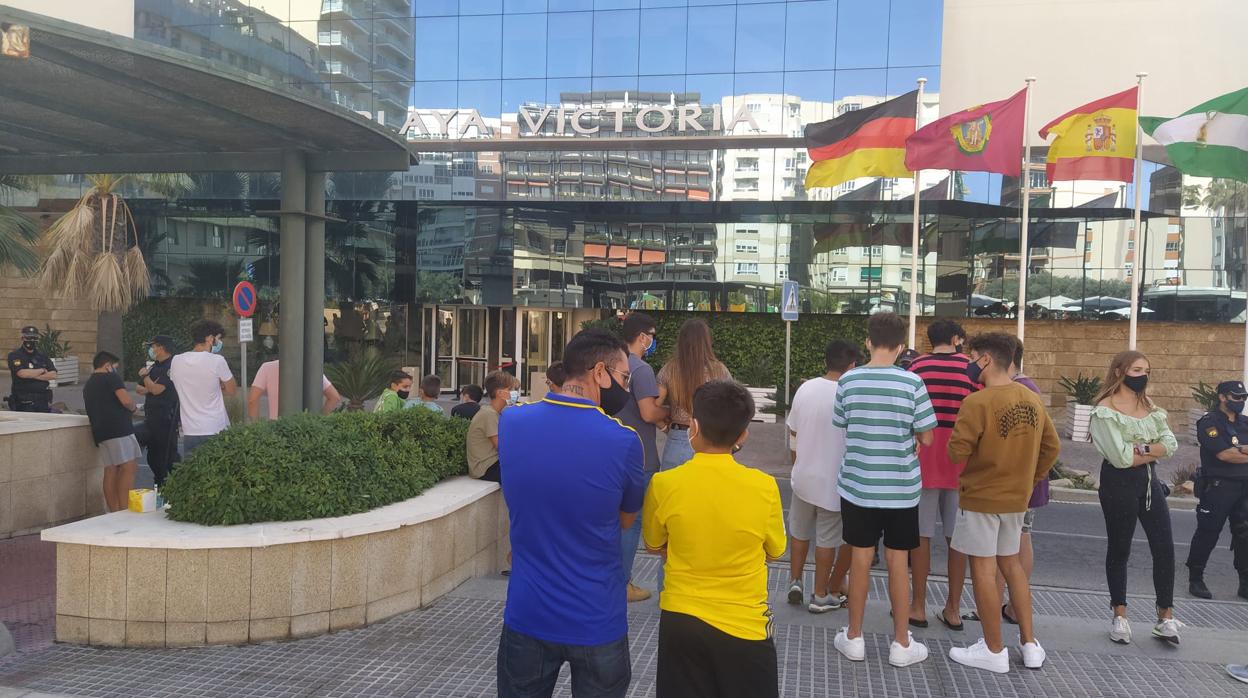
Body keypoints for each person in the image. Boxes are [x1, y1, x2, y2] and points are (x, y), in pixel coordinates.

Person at [496, 329, 644, 698]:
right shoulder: (624, 441)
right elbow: (626, 521)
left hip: (528, 613)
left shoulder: (512, 423)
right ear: (599, 372)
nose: (626, 388)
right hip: (597, 620)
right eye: (624, 378)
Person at [643, 380, 785, 698]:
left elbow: (654, 544)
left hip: (681, 622)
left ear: (693, 427)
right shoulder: (764, 487)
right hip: (745, 626)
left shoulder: (664, 484)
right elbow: (775, 551)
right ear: (743, 435)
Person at [945, 332, 1059, 673]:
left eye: (972, 357)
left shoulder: (977, 402)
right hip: (1016, 498)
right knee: (1012, 567)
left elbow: (957, 451)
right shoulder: (1031, 397)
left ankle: (993, 649)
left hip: (981, 496)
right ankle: (1029, 644)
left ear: (985, 360)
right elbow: (1052, 447)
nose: (969, 364)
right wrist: (1030, 478)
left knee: (982, 567)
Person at [831, 312, 936, 668]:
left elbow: (842, 424)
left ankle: (855, 637)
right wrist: (914, 437)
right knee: (898, 562)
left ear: (868, 342)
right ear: (901, 346)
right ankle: (901, 643)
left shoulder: (848, 381)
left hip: (858, 485)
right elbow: (927, 435)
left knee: (860, 560)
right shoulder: (913, 383)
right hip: (901, 489)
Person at [1089, 350, 1183, 645]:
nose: (1143, 375)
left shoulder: (1149, 405)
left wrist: (1138, 448)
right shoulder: (1105, 409)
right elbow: (1119, 458)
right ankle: (1120, 615)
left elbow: (1170, 443)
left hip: (1150, 483)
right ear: (1120, 371)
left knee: (1165, 548)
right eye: (1137, 369)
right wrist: (1149, 448)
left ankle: (1165, 616)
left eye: (1147, 370)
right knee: (1120, 549)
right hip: (1118, 485)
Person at [906, 319, 976, 630]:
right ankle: (953, 608)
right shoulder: (972, 369)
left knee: (920, 536)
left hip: (923, 458)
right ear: (956, 338)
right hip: (961, 462)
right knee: (956, 538)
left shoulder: (917, 368)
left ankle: (917, 605)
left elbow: (909, 412)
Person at [786, 339, 861, 613]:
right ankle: (820, 595)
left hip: (803, 476)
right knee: (828, 539)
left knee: (799, 531)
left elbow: (793, 434)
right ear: (851, 365)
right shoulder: (850, 393)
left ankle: (795, 581)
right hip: (834, 482)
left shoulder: (805, 388)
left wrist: (797, 465)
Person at [615, 313, 668, 604]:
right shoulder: (642, 369)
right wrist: (670, 413)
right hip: (641, 457)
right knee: (632, 523)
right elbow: (649, 413)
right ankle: (623, 583)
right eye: (652, 335)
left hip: (613, 455)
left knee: (614, 521)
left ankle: (611, 580)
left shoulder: (611, 365)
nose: (652, 341)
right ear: (643, 337)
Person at [1000, 339, 1048, 625]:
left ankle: (1008, 607)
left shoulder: (1021, 390)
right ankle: (1013, 607)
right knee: (1020, 539)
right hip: (1026, 480)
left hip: (1018, 481)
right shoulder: (1029, 388)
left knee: (1014, 544)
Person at [1186, 379, 1248, 601]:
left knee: (1244, 534)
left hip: (1244, 487)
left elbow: (1233, 453)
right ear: (1222, 397)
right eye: (1235, 397)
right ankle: (1196, 578)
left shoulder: (1246, 423)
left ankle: (1245, 582)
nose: (1240, 401)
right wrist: (1240, 451)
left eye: (1243, 397)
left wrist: (1240, 450)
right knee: (1208, 532)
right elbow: (1224, 454)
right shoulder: (1209, 422)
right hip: (1219, 487)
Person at [657, 319, 732, 471]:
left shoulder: (669, 369)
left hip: (677, 440)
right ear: (707, 341)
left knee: (672, 492)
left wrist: (666, 428)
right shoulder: (720, 371)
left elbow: (652, 408)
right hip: (710, 441)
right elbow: (732, 409)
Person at [83, 352, 140, 512]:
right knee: (128, 467)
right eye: (115, 367)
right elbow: (126, 400)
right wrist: (134, 408)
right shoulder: (111, 378)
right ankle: (124, 510)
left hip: (101, 432)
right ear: (107, 365)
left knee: (111, 469)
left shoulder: (89, 384)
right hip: (119, 429)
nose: (116, 370)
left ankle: (113, 510)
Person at [170, 320, 236, 454]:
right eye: (218, 339)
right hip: (216, 428)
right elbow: (232, 390)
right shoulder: (217, 361)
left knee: (193, 472)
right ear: (210, 339)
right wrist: (219, 385)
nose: (218, 343)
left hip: (190, 430)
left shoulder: (176, 360)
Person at [135, 335, 179, 487]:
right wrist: (150, 386)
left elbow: (157, 389)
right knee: (153, 457)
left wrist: (146, 378)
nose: (151, 350)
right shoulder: (154, 366)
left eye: (153, 346)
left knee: (167, 456)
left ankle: (173, 486)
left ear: (161, 347)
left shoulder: (171, 366)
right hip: (151, 418)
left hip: (166, 419)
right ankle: (160, 484)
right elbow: (139, 388)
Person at [468, 371, 519, 484]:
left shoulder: (495, 412)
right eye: (511, 389)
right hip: (485, 468)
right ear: (500, 393)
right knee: (527, 473)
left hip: (494, 463)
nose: (515, 393)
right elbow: (502, 447)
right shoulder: (488, 414)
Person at [246, 359, 341, 420]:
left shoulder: (267, 367)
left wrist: (256, 428)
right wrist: (320, 418)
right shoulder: (311, 370)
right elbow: (334, 397)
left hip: (276, 428)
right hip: (305, 428)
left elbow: (252, 400)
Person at [7, 325, 55, 412]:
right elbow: (22, 373)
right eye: (28, 337)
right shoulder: (15, 355)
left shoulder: (42, 356)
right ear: (22, 338)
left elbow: (53, 375)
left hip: (42, 401)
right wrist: (42, 370)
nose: (31, 340)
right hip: (24, 402)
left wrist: (31, 374)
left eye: (34, 338)